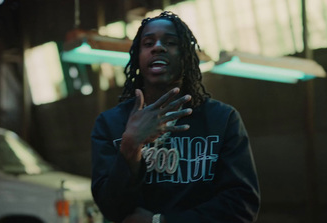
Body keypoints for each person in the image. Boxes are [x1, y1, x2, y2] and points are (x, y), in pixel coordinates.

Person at [91, 11, 260, 223]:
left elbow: (241, 206)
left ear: (186, 55)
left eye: (170, 42)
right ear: (137, 56)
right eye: (148, 43)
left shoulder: (222, 119)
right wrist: (130, 145)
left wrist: (160, 221)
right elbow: (111, 209)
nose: (158, 47)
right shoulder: (110, 124)